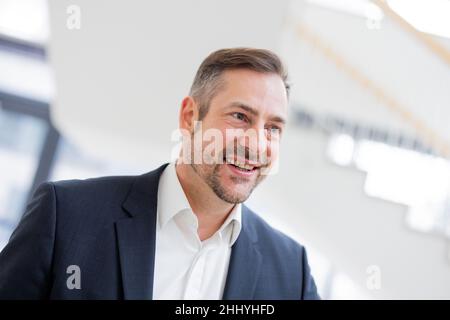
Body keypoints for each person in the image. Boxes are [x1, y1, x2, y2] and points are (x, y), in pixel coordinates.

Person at [0, 47, 319, 299]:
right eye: (239, 116)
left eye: (273, 128)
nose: (256, 143)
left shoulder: (292, 272)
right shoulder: (67, 215)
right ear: (189, 116)